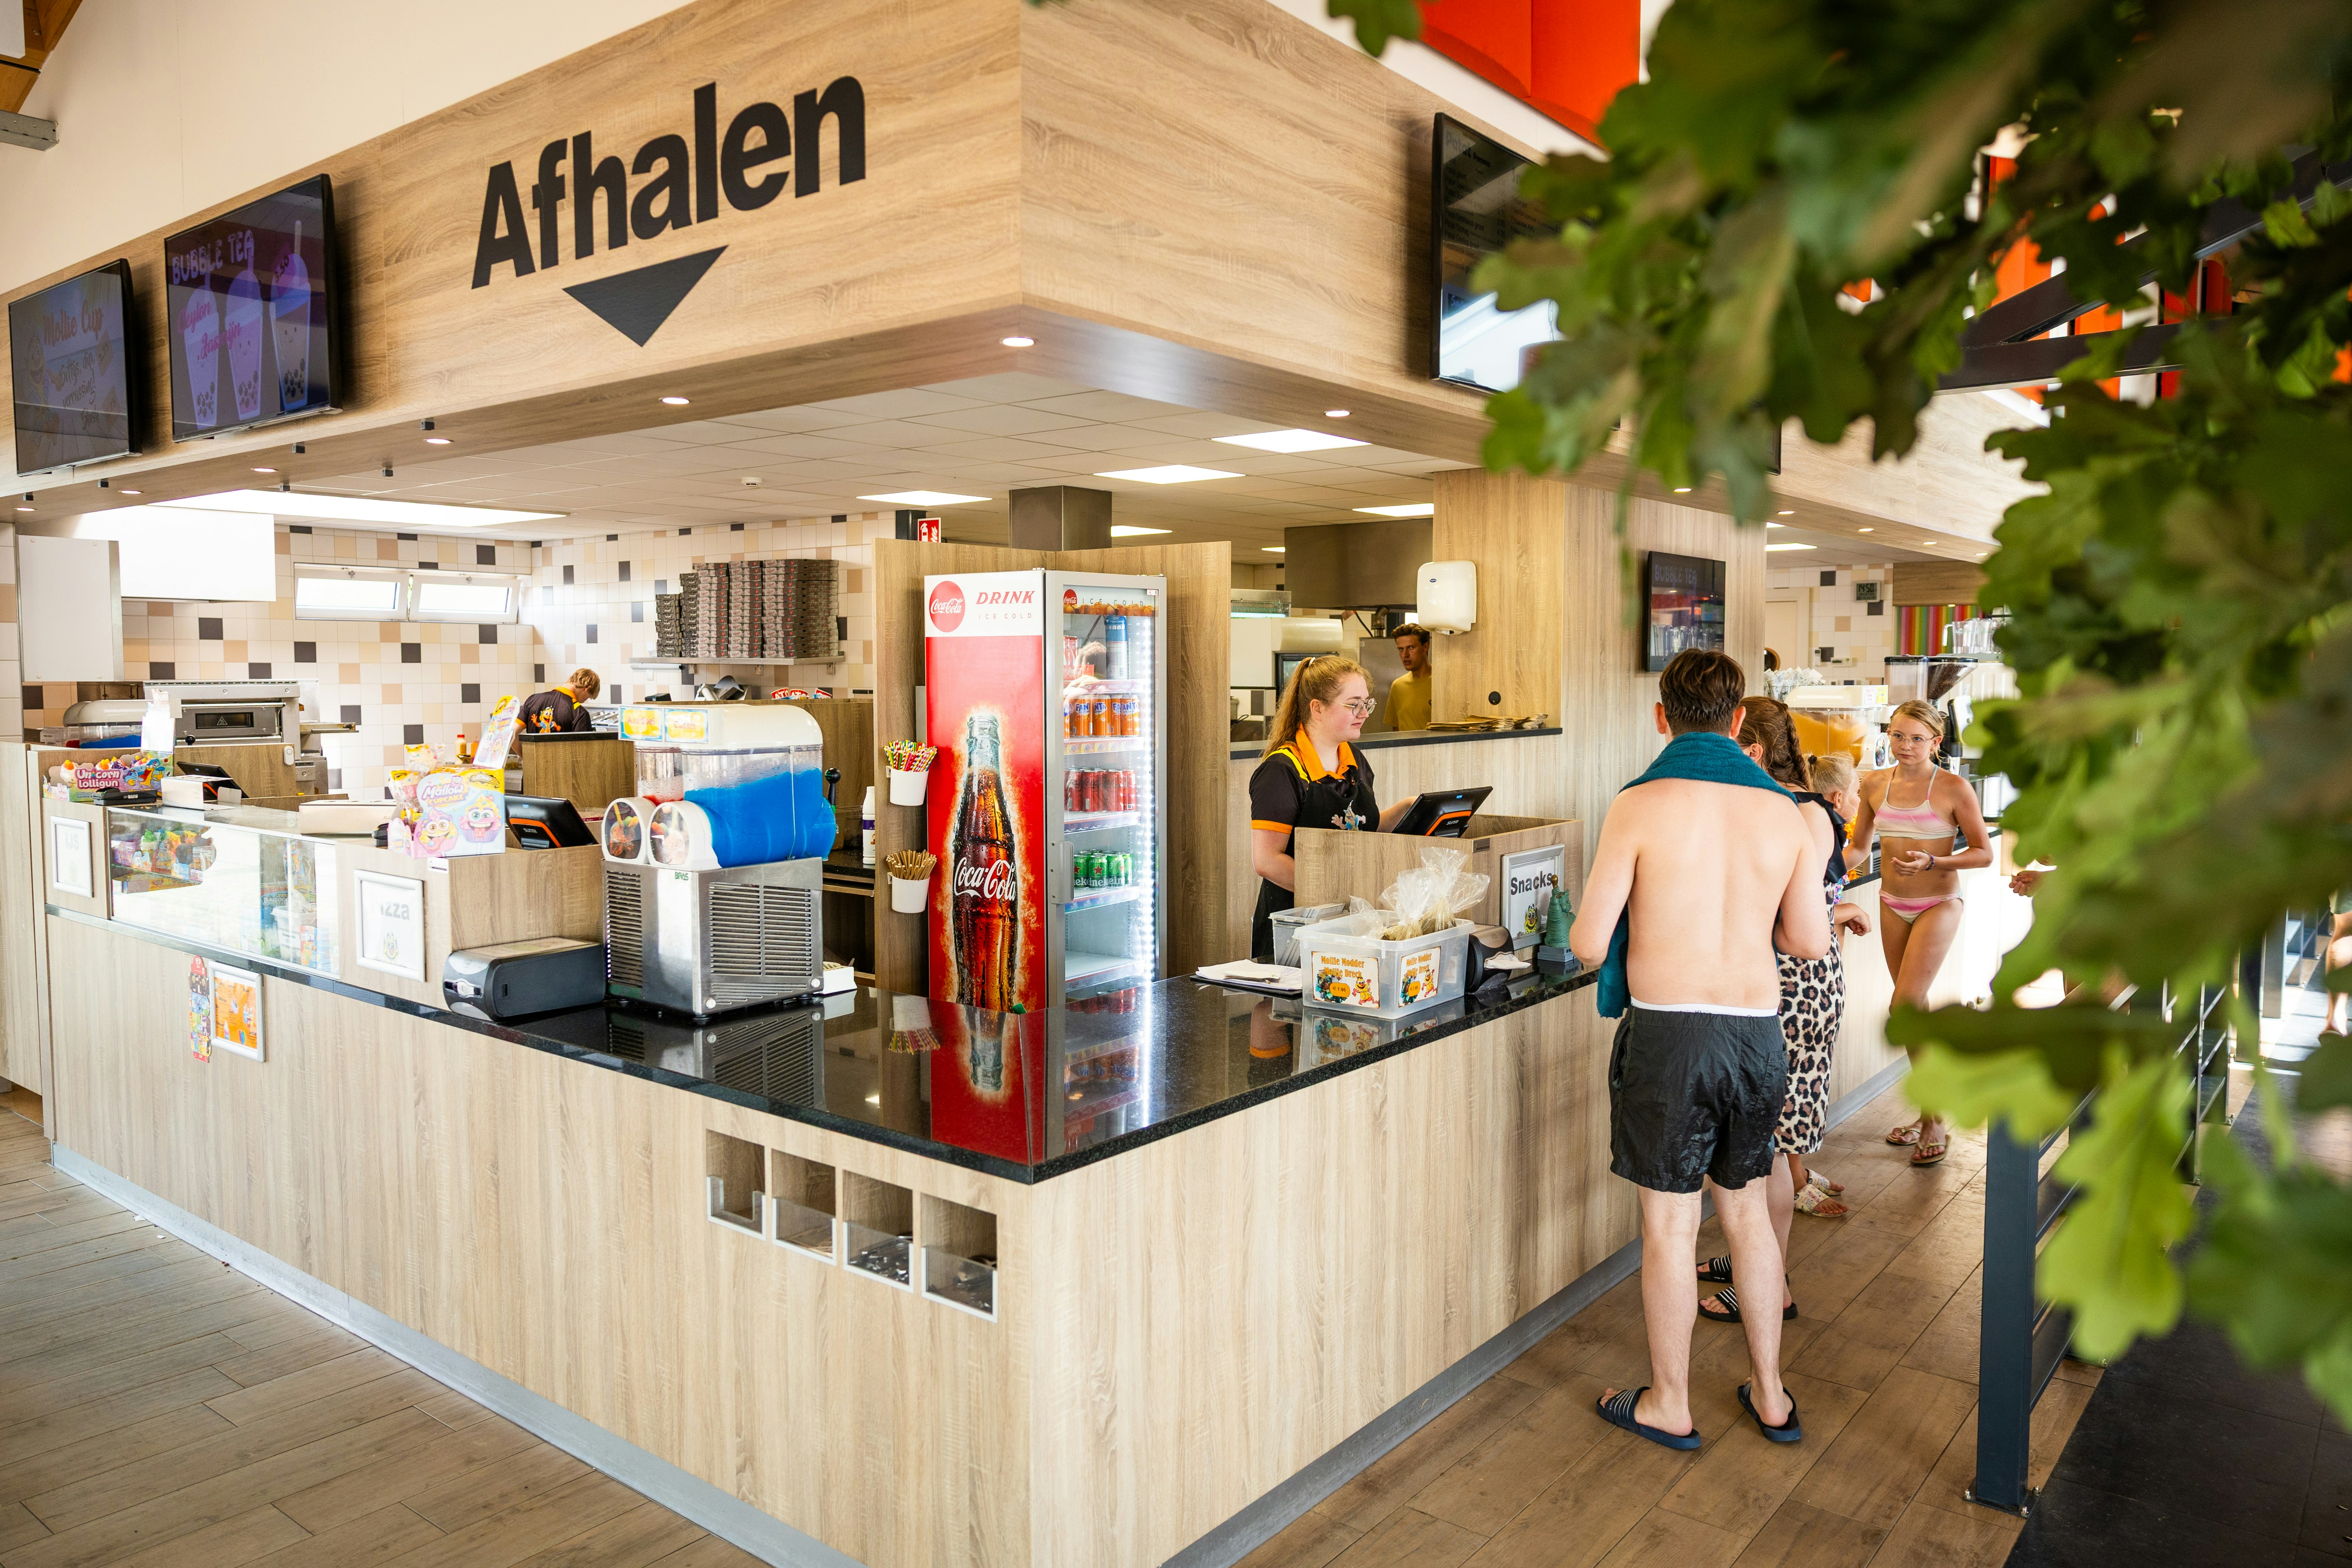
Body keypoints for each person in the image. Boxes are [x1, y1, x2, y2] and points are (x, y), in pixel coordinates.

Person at [1570, 648, 1830, 1451]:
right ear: (1739, 719)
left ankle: (1670, 1403)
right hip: (1755, 1035)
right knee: (1747, 1215)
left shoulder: (1639, 803)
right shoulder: (1786, 814)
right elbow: (1809, 941)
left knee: (1671, 1228)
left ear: (1662, 718)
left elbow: (1587, 943)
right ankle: (1773, 1394)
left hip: (1670, 1037)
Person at [1690, 706, 1870, 1324]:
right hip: (1780, 988)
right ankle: (1752, 1259)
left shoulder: (1799, 812)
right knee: (1756, 1143)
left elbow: (1797, 918)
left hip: (1794, 993)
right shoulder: (1786, 806)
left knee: (1770, 1149)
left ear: (1756, 750)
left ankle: (1770, 1286)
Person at [1846, 699, 1995, 1165]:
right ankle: (1931, 1106)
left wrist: (1935, 861)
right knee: (1914, 1010)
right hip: (1891, 901)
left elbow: (1983, 852)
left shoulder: (1953, 787)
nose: (1905, 745)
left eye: (1916, 738)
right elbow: (1858, 847)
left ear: (1935, 741)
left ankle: (1933, 1117)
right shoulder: (1874, 783)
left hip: (1939, 902)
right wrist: (1815, 869)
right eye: (1897, 735)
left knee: (1904, 1006)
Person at [1247, 656, 1410, 957]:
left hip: (1349, 921)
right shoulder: (1282, 770)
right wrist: (1337, 895)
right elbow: (1267, 861)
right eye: (1353, 705)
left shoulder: (1355, 759)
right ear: (1318, 708)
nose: (1364, 714)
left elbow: (1360, 828)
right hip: (1296, 928)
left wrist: (1408, 808)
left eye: (1366, 704)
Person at [517, 667, 601, 734]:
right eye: (589, 697)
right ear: (587, 689)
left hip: (532, 752)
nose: (584, 701)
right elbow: (583, 749)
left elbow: (513, 732)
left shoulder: (533, 700)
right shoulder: (579, 713)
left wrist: (524, 752)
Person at [1387, 625, 1434, 732]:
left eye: (1411, 648)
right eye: (1401, 649)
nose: (1405, 655)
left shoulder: (1440, 682)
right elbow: (1396, 728)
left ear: (1425, 647)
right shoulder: (1398, 686)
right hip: (1405, 743)